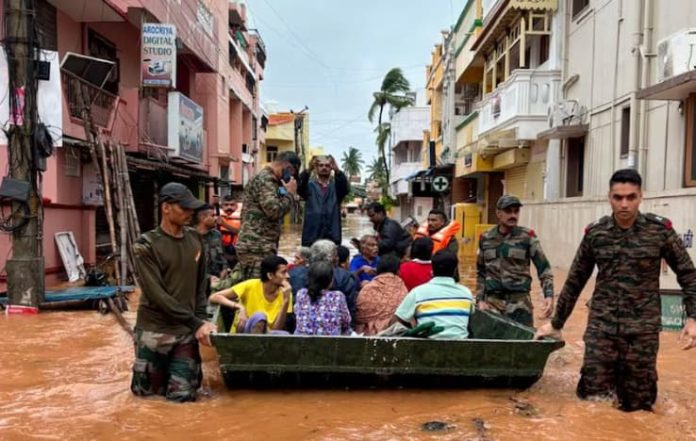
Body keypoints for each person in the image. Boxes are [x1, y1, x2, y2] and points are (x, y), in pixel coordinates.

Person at [535, 169, 696, 412]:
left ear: (641, 197)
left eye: (631, 197)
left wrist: (693, 317)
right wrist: (557, 323)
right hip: (602, 330)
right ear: (608, 197)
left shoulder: (659, 231)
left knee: (639, 406)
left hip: (642, 333)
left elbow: (688, 274)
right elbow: (575, 280)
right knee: (592, 402)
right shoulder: (596, 234)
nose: (624, 204)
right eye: (618, 197)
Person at [131, 182, 217, 403]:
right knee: (146, 400)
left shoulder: (195, 239)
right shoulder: (146, 245)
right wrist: (196, 323)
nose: (190, 213)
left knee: (184, 398)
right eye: (184, 208)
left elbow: (201, 285)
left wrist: (203, 320)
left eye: (191, 208)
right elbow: (156, 295)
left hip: (185, 333)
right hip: (153, 333)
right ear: (166, 207)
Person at [476, 195, 554, 327]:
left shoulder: (527, 237)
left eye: (516, 211)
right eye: (508, 211)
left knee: (523, 344)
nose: (513, 215)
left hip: (520, 303)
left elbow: (544, 268)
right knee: (493, 344)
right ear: (498, 213)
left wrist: (549, 295)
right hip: (492, 303)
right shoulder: (486, 238)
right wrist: (479, 300)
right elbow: (481, 272)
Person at [236, 152, 301, 279]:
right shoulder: (266, 180)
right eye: (293, 173)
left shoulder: (273, 182)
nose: (291, 177)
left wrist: (284, 192)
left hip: (260, 245)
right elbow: (274, 211)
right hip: (256, 246)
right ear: (289, 168)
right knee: (257, 288)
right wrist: (291, 194)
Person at [392, 250, 474, 340]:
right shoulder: (466, 293)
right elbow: (469, 318)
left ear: (432, 269)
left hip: (426, 349)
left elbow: (397, 320)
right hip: (462, 349)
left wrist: (411, 330)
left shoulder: (418, 292)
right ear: (455, 270)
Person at [209, 255, 293, 333]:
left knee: (282, 333)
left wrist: (285, 301)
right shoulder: (250, 285)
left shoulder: (286, 293)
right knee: (259, 316)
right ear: (270, 275)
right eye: (283, 272)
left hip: (268, 338)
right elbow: (214, 297)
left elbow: (276, 330)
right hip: (244, 333)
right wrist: (240, 307)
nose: (288, 276)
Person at [288, 240, 359, 321]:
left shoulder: (293, 274)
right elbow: (350, 311)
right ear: (333, 259)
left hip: (297, 327)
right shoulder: (346, 277)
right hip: (336, 328)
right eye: (336, 256)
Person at [298, 155, 350, 246]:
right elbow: (299, 187)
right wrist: (308, 170)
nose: (324, 168)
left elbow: (345, 188)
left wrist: (337, 170)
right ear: (316, 168)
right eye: (321, 165)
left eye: (327, 165)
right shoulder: (309, 187)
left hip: (332, 236)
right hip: (311, 236)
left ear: (331, 168)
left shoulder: (337, 188)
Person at [355, 254, 408, 336]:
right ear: (397, 271)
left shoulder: (367, 288)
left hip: (368, 335)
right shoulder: (402, 288)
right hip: (394, 333)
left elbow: (360, 316)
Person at [294, 261, 352, 336]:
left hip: (301, 344)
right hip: (331, 345)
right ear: (331, 280)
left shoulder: (301, 294)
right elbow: (346, 322)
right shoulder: (338, 296)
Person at [193, 203, 228, 285]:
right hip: (198, 283)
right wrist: (208, 278)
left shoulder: (217, 235)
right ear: (202, 217)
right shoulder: (190, 236)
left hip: (218, 282)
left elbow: (222, 257)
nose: (216, 218)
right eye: (212, 215)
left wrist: (224, 269)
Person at [217, 195, 241, 268]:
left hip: (237, 249)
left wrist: (224, 224)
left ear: (236, 205)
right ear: (222, 206)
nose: (229, 207)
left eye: (232, 205)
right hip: (221, 248)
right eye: (226, 205)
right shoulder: (216, 213)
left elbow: (241, 231)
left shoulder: (243, 214)